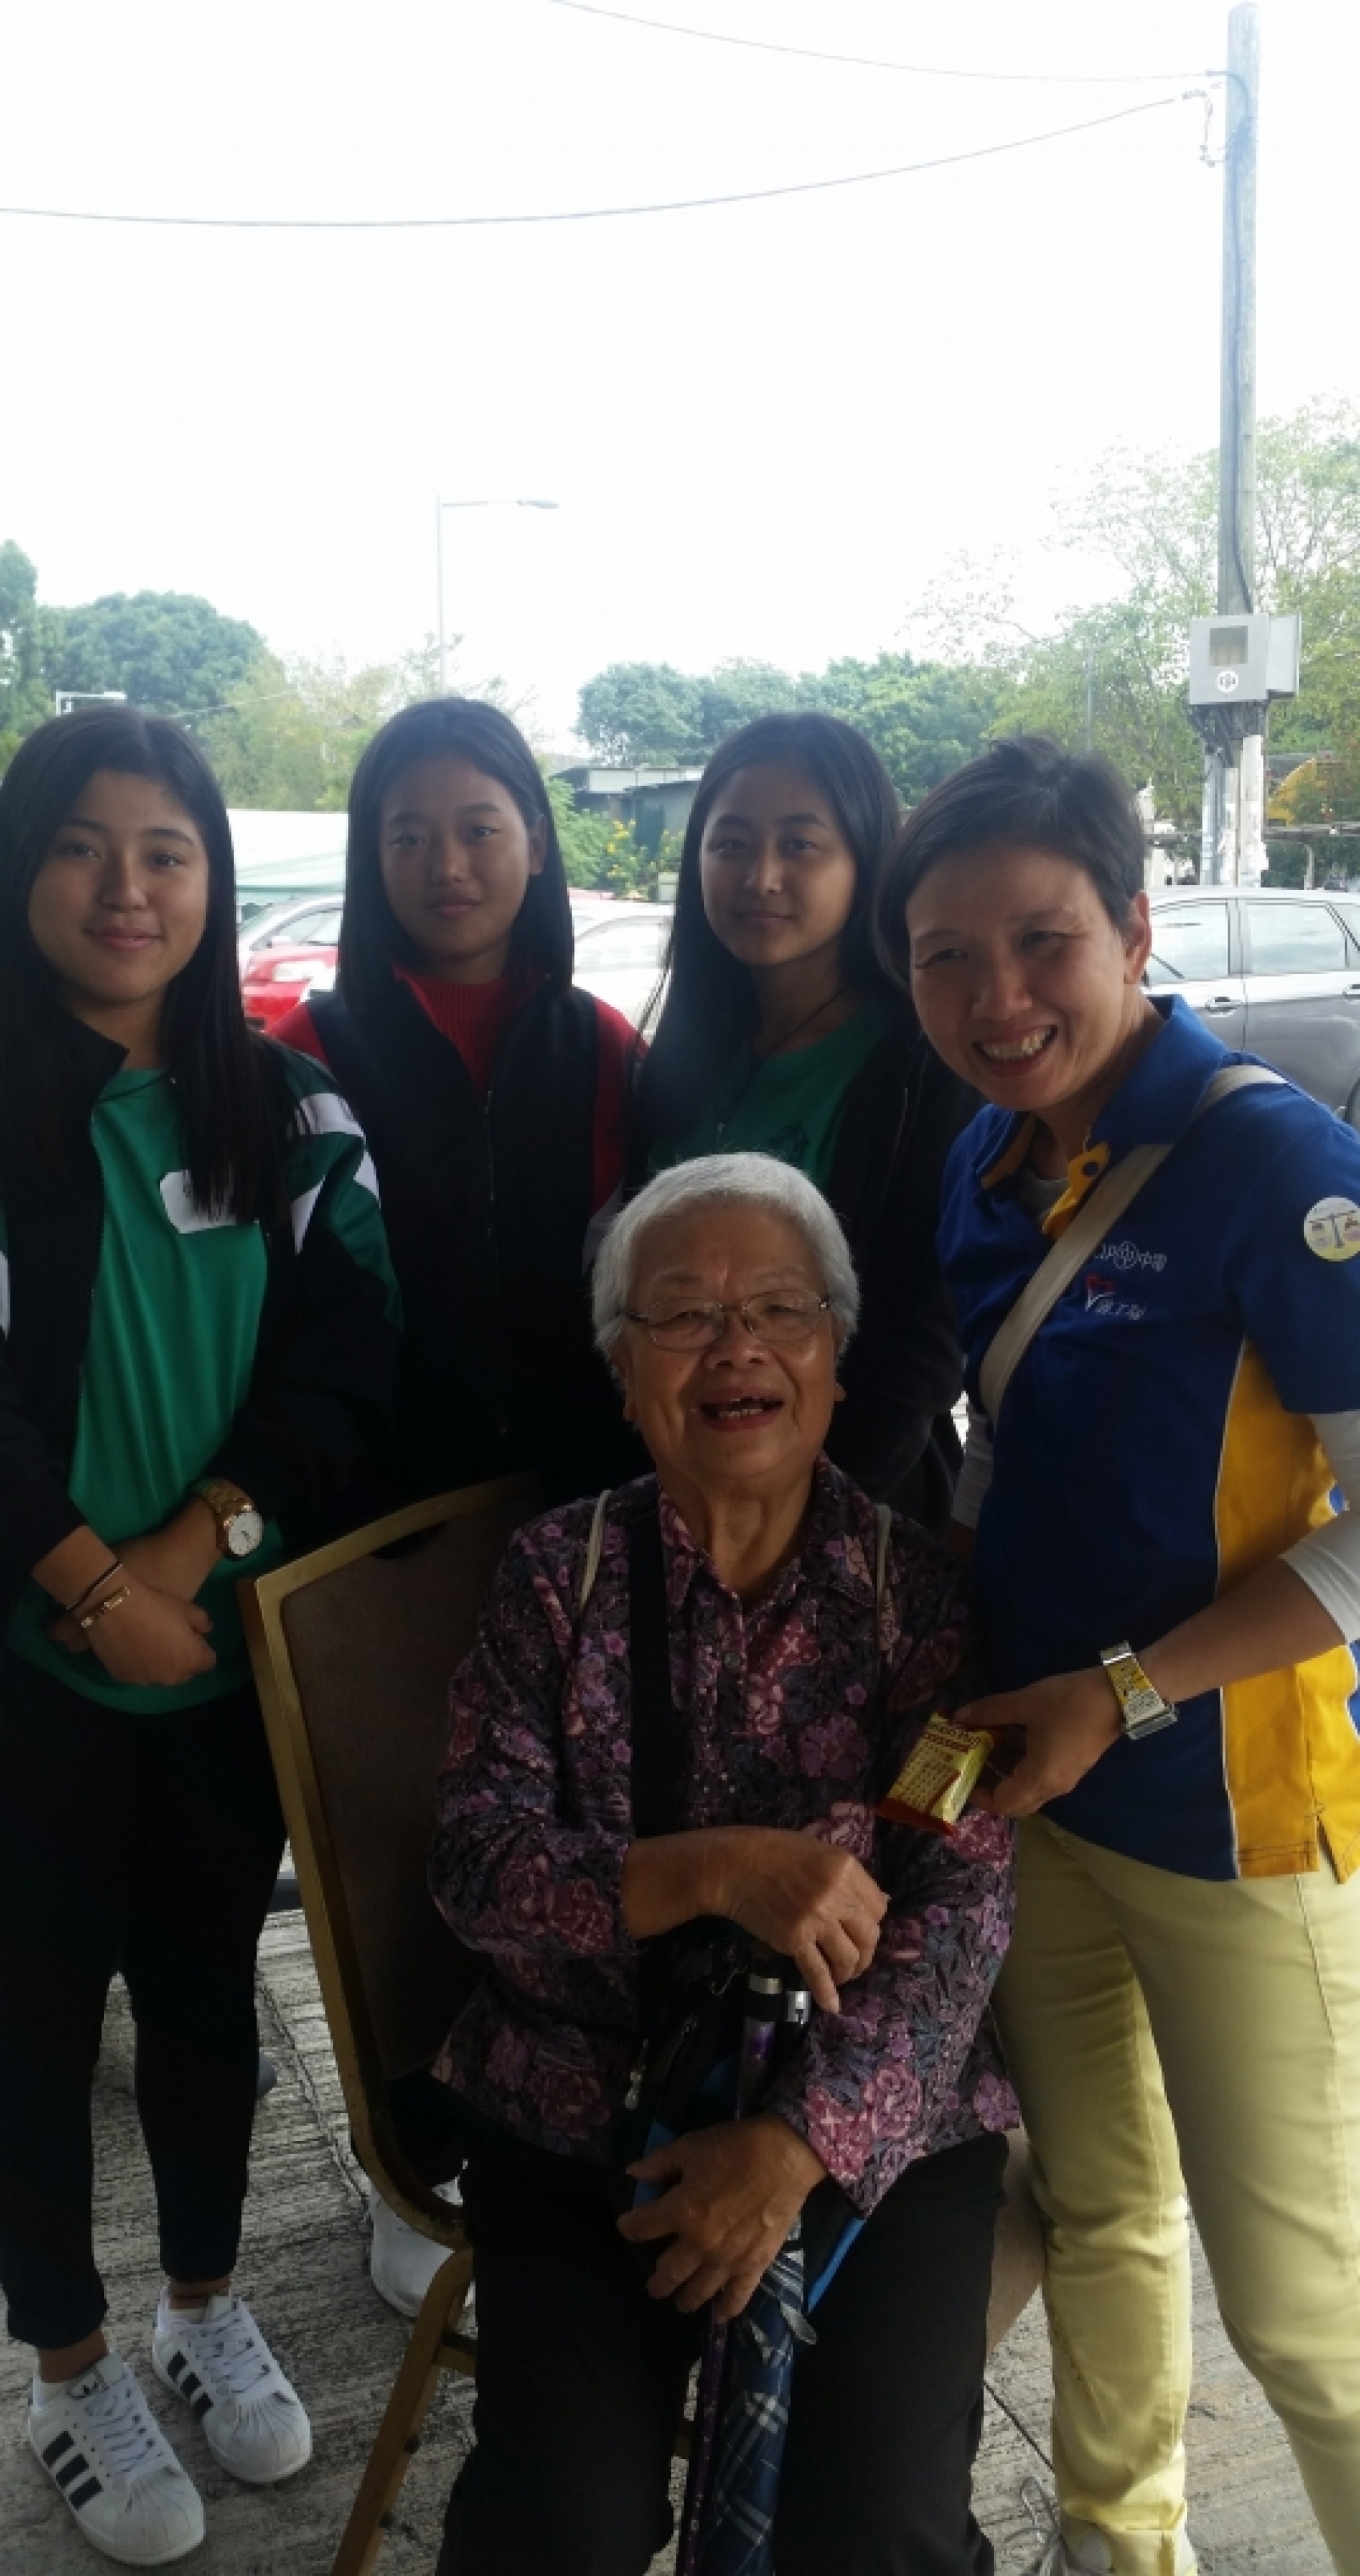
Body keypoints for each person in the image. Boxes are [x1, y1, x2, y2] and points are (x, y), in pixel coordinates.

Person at [0, 710, 396, 2568]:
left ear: (212, 879)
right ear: (21, 872)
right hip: (17, 1670)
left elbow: (345, 1363)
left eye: (167, 851)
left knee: (207, 2010)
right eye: (82, 846)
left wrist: (188, 1556)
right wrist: (92, 1589)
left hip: (217, 1662)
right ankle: (70, 2368)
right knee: (35, 2029)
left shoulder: (293, 1112)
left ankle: (204, 2304)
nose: (127, 888)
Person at [878, 732, 1360, 2576]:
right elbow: (1014, 1462)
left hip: (1233, 1814)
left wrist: (1128, 1692)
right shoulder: (984, 1162)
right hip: (1041, 1790)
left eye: (1042, 940)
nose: (996, 996)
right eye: (946, 955)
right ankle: (1117, 2537)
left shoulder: (1270, 1161)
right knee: (1097, 2205)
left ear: (1136, 928)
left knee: (1306, 2316)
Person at [426, 1153, 1019, 2576]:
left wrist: (800, 2142)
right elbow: (475, 1865)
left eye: (779, 1309)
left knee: (872, 2535)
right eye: (684, 1314)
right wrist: (711, 1870)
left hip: (873, 2111)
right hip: (586, 2105)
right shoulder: (555, 1579)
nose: (736, 1345)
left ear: (836, 1357)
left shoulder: (921, 1603)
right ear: (625, 1374)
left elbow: (959, 1912)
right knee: (560, 2532)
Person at [278, 696, 642, 1514]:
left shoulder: (605, 1047)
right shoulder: (303, 1057)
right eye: (409, 838)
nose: (446, 866)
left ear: (537, 843)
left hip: (586, 1495)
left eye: (479, 830)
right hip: (371, 1510)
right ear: (371, 857)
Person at [632, 712, 973, 1530]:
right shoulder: (685, 1052)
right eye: (731, 843)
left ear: (865, 862)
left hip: (849, 1516)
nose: (761, 876)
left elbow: (922, 1343)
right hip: (675, 1506)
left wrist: (801, 1526)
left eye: (801, 844)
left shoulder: (923, 1064)